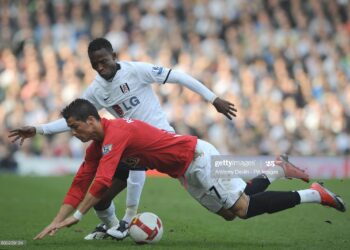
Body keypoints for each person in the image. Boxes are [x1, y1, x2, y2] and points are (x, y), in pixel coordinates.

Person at [8, 37, 238, 240]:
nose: (100, 67)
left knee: (230, 209)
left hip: (160, 139)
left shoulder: (136, 70)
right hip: (130, 143)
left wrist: (213, 97)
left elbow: (177, 76)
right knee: (104, 195)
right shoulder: (97, 90)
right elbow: (72, 120)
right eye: (95, 65)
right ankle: (116, 225)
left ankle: (127, 218)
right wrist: (39, 129)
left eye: (104, 61)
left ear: (114, 56)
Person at [33, 99, 345, 240]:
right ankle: (276, 168)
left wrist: (76, 217)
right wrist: (55, 221)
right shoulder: (98, 146)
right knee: (229, 209)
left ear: (91, 121)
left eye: (75, 127)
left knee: (241, 208)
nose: (74, 133)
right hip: (186, 168)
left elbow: (102, 180)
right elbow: (81, 181)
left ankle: (315, 194)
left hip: (195, 159)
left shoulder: (116, 134)